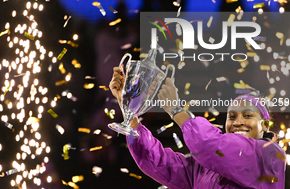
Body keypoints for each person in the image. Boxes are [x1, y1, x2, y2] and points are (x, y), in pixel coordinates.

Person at [109, 67, 286, 188]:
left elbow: (209, 144)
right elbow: (158, 162)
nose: (237, 122)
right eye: (231, 117)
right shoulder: (203, 166)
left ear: (264, 124)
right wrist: (129, 109)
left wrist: (176, 110)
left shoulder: (269, 155)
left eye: (247, 116)